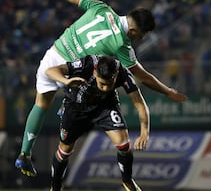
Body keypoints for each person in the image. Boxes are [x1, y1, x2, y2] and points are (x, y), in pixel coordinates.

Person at [14, 0, 187, 177]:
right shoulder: (122, 45)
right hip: (74, 71)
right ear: (134, 31)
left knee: (40, 104)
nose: (140, 40)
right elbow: (142, 75)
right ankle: (67, 107)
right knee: (102, 74)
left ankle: (24, 154)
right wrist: (167, 91)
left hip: (53, 56)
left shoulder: (101, 8)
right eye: (141, 36)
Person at [45, 55, 148, 191]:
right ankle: (55, 186)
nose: (105, 88)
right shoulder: (86, 64)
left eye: (109, 84)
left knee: (124, 143)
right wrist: (65, 80)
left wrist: (144, 131)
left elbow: (140, 103)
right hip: (76, 109)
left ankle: (127, 181)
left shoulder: (123, 72)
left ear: (115, 75)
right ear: (94, 72)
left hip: (104, 106)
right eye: (102, 84)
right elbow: (50, 71)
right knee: (64, 150)